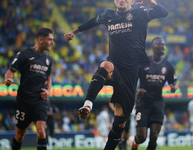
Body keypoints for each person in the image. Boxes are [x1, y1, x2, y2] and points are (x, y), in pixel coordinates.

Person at [64, 0, 168, 149]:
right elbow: (93, 21)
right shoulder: (108, 15)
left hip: (131, 73)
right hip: (115, 65)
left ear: (132, 1)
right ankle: (87, 105)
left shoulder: (140, 13)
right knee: (105, 65)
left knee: (120, 121)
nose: (121, 0)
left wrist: (152, 3)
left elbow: (164, 13)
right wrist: (74, 31)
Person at [4, 27, 54, 150]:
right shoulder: (24, 54)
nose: (52, 43)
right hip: (24, 101)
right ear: (41, 39)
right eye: (50, 40)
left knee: (42, 132)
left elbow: (48, 78)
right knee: (20, 135)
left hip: (40, 101)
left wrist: (48, 91)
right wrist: (8, 79)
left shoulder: (48, 59)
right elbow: (10, 71)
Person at [131, 37, 177, 150]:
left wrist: (173, 87)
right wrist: (137, 90)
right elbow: (132, 80)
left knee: (154, 136)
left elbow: (173, 81)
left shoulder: (168, 65)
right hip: (143, 102)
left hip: (158, 103)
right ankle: (134, 145)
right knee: (141, 137)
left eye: (164, 45)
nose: (163, 47)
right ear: (153, 46)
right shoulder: (143, 63)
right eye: (160, 44)